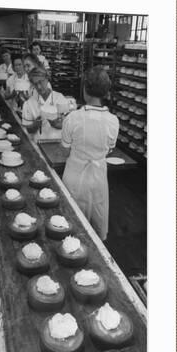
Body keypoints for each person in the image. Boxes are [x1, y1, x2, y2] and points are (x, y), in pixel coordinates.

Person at [61, 66, 119, 241]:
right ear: (105, 92)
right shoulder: (113, 121)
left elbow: (65, 149)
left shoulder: (72, 118)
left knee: (71, 222)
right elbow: (109, 149)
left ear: (85, 90)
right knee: (96, 213)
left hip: (74, 174)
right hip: (98, 177)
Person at [22, 66, 76, 141]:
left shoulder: (59, 98)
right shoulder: (28, 104)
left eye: (41, 82)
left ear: (47, 79)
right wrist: (36, 124)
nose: (39, 87)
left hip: (58, 142)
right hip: (39, 144)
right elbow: (29, 130)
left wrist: (56, 124)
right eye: (35, 84)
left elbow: (69, 125)